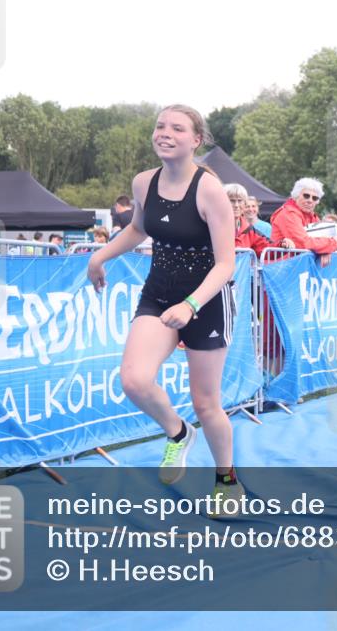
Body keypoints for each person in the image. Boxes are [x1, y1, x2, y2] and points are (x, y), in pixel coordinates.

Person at [87, 104, 241, 511]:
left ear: (196, 140)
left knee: (207, 404)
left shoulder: (209, 190)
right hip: (159, 293)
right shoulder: (143, 183)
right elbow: (138, 229)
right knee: (134, 380)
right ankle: (176, 433)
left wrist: (191, 305)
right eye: (159, 126)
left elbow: (227, 263)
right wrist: (100, 257)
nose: (165, 133)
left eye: (177, 128)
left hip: (206, 299)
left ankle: (227, 480)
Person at [270, 177, 337, 263]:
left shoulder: (312, 216)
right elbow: (303, 244)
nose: (310, 200)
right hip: (282, 268)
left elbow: (321, 240)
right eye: (306, 196)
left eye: (314, 198)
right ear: (296, 195)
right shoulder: (288, 214)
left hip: (299, 267)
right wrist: (331, 244)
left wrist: (326, 250)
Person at [226, 183, 281, 256]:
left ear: (244, 203)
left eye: (240, 201)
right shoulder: (212, 227)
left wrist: (282, 244)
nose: (236, 205)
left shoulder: (249, 230)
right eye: (232, 201)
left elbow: (267, 248)